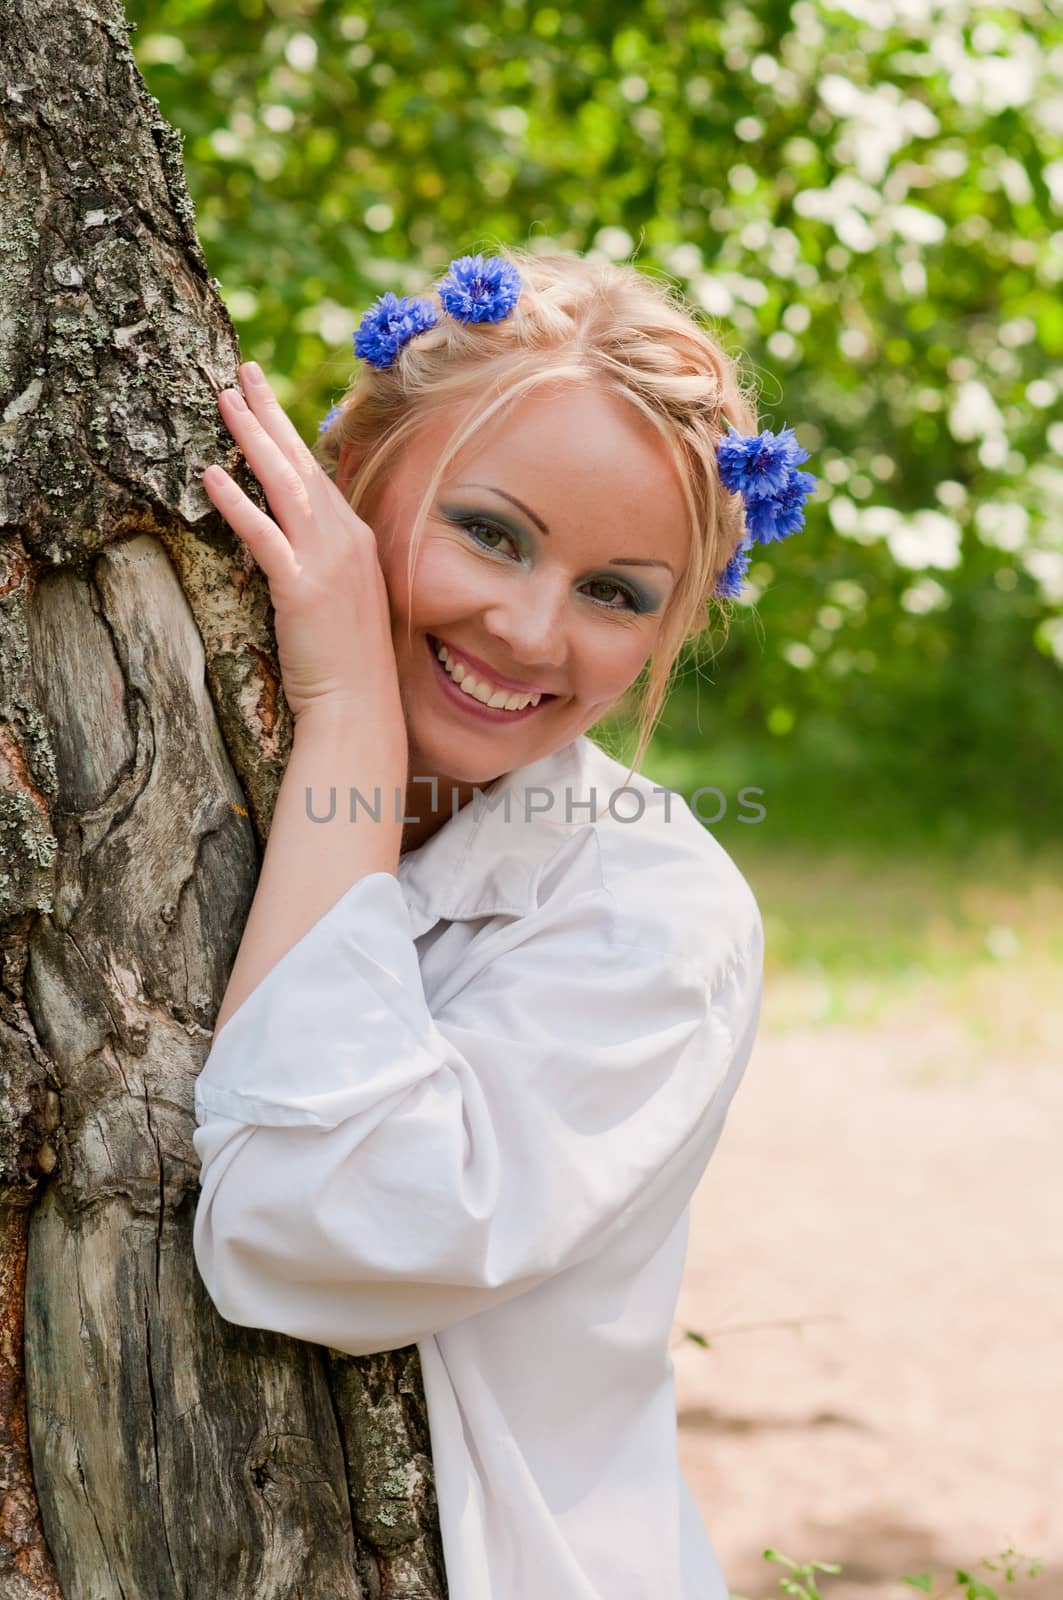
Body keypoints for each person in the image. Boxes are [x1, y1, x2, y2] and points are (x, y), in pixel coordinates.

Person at [192, 247, 817, 1599]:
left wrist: (352, 711)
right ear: (353, 467)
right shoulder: (172, 747)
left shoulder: (658, 922)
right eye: (490, 530)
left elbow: (302, 1226)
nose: (532, 629)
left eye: (616, 594)